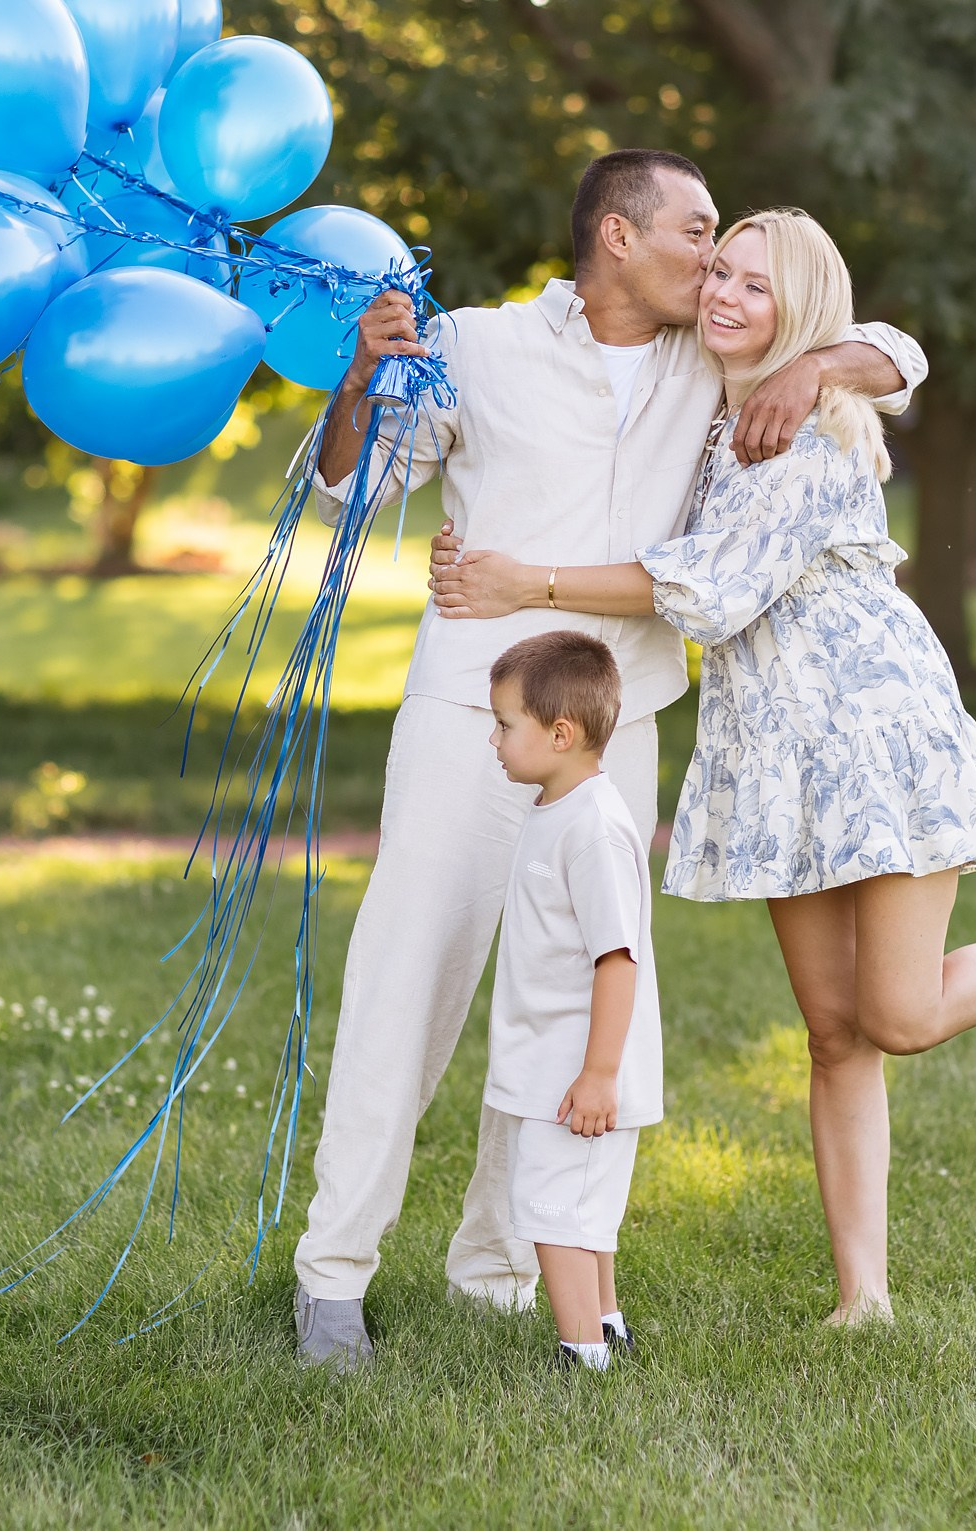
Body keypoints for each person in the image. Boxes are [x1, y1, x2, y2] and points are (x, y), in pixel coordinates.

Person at [430, 209, 976, 1326]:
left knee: (898, 1016)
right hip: (772, 755)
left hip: (871, 733)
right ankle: (861, 1296)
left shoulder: (809, 423)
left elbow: (713, 588)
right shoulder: (719, 417)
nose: (722, 293)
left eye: (757, 287)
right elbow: (888, 358)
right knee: (832, 1033)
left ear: (804, 312)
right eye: (717, 269)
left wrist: (529, 584)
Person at [291, 149, 927, 1366]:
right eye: (698, 230)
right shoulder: (474, 344)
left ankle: (501, 1266)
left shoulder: (719, 358)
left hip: (621, 726)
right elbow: (346, 492)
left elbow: (900, 351)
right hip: (469, 714)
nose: (716, 256)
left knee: (581, 1002)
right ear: (619, 239)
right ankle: (333, 1277)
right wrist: (364, 374)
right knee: (408, 980)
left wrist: (809, 362)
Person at [480, 631, 660, 1373]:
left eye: (503, 723)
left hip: (577, 1071)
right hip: (553, 1059)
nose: (492, 738)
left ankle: (581, 1354)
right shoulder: (559, 807)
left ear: (560, 733)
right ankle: (606, 1326)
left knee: (554, 1210)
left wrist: (598, 1074)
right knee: (580, 1209)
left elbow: (617, 958)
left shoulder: (592, 827)